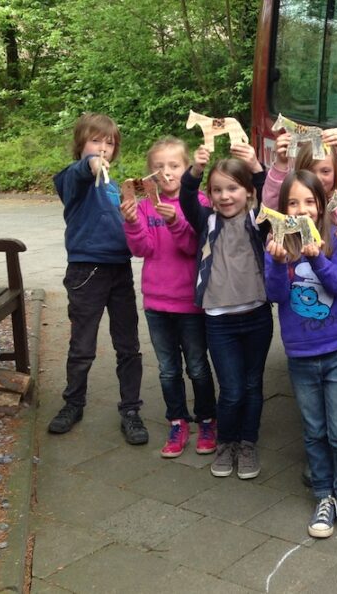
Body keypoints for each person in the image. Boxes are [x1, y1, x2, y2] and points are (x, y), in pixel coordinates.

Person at [266, 169, 337, 543]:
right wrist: (278, 263)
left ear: (321, 206)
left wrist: (318, 258)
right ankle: (324, 496)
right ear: (284, 208)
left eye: (309, 201)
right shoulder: (278, 246)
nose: (302, 209)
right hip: (301, 354)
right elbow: (274, 295)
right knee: (315, 431)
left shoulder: (335, 241)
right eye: (293, 202)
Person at [48, 112, 147, 445]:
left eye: (110, 143)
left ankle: (131, 410)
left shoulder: (114, 187)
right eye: (96, 141)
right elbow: (81, 172)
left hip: (119, 269)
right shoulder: (73, 178)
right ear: (81, 145)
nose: (104, 148)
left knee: (129, 346)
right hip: (85, 272)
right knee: (82, 347)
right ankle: (73, 403)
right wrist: (89, 165)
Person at [179, 140, 271, 480]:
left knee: (253, 386)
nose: (225, 196)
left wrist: (258, 169)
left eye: (233, 188)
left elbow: (271, 196)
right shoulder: (207, 221)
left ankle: (248, 443)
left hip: (257, 316)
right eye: (217, 190)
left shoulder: (258, 220)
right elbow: (187, 198)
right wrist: (196, 170)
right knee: (231, 390)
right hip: (219, 321)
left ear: (247, 192)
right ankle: (226, 442)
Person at [121, 137, 216, 458]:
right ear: (149, 174)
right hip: (156, 303)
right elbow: (141, 250)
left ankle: (207, 419)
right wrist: (133, 223)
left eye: (174, 165)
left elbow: (193, 248)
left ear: (186, 167)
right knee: (167, 369)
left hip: (190, 302)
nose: (167, 173)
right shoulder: (145, 204)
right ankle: (178, 421)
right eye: (159, 167)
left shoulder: (198, 201)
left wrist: (175, 222)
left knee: (198, 366)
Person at [262, 127, 337, 207]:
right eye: (310, 171)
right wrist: (281, 163)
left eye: (326, 171)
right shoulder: (291, 202)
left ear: (336, 173)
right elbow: (271, 203)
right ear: (299, 172)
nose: (317, 178)